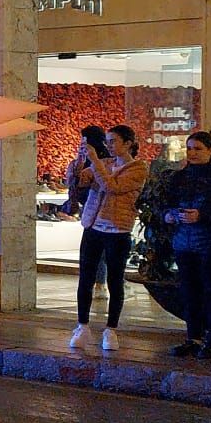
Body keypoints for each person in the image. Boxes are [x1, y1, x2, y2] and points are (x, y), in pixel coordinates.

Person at [160, 130, 211, 360]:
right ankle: (193, 338)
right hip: (184, 243)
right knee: (189, 292)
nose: (192, 153)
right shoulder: (179, 177)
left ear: (210, 151)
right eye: (189, 148)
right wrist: (169, 215)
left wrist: (202, 215)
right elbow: (165, 205)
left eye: (198, 149)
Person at [72, 124, 144, 352]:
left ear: (128, 144)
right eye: (107, 142)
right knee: (85, 278)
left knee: (114, 280)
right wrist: (79, 163)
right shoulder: (105, 164)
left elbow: (113, 187)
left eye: (113, 141)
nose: (108, 146)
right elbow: (81, 182)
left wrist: (96, 164)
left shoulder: (139, 169)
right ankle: (82, 326)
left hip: (117, 230)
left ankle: (111, 329)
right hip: (93, 227)